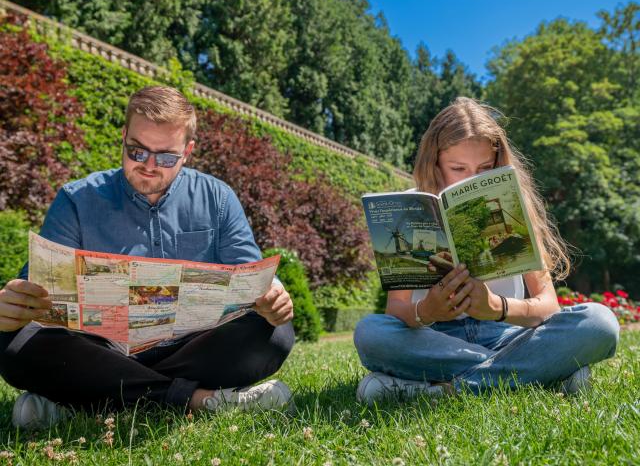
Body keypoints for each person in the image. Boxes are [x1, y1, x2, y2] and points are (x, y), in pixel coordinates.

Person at [0, 86, 296, 429]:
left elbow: (253, 275)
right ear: (123, 137)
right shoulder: (76, 200)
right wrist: (13, 305)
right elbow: (38, 293)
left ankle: (85, 400)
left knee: (274, 332)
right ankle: (200, 400)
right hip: (103, 349)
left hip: (189, 349)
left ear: (188, 151)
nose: (149, 166)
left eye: (166, 157)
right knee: (13, 343)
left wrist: (274, 295)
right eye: (137, 151)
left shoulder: (217, 198)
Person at [354, 97, 619, 404]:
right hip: (435, 340)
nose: (472, 179)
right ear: (435, 163)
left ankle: (440, 390)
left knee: (599, 322)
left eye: (484, 168)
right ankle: (541, 371)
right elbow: (396, 311)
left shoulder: (510, 203)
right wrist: (427, 311)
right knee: (371, 333)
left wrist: (496, 307)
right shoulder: (411, 208)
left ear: (497, 163)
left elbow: (548, 306)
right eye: (457, 168)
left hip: (506, 334)